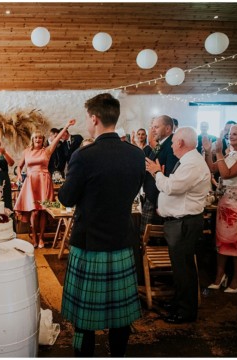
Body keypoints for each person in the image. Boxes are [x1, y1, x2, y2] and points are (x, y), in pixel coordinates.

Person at [59, 93, 144, 357]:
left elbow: (67, 197)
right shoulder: (135, 154)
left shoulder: (85, 156)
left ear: (94, 119)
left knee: (85, 315)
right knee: (121, 312)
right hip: (122, 238)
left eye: (87, 117)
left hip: (90, 242)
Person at [145, 127, 210, 324]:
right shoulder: (189, 161)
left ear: (180, 142)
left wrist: (157, 173)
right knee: (180, 268)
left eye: (173, 142)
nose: (172, 145)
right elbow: (174, 185)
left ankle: (186, 312)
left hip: (184, 223)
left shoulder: (192, 164)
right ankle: (178, 301)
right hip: (179, 222)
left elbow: (172, 187)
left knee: (184, 270)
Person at [202, 124, 237, 293]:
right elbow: (212, 168)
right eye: (230, 133)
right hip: (225, 200)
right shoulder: (229, 153)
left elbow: (227, 174)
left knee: (236, 240)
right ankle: (220, 276)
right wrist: (207, 151)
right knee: (221, 239)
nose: (230, 136)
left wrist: (218, 153)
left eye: (235, 134)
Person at [13, 121, 74, 248]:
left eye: (40, 137)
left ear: (43, 140)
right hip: (31, 182)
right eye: (36, 137)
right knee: (34, 211)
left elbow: (57, 139)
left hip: (44, 181)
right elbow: (19, 166)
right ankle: (34, 236)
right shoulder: (26, 152)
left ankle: (41, 238)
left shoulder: (47, 151)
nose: (38, 139)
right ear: (32, 139)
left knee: (43, 211)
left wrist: (66, 126)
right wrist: (19, 176)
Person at [141, 115, 179, 235]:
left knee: (151, 237)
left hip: (157, 198)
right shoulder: (161, 143)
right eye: (152, 127)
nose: (152, 130)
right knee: (145, 235)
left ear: (168, 128)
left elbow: (169, 176)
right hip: (151, 195)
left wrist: (159, 204)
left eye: (156, 127)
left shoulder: (171, 145)